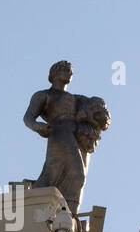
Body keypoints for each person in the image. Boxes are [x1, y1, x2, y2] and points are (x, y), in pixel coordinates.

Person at [22, 61, 109, 214]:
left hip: (80, 136)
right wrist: (38, 126)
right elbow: (28, 118)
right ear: (54, 73)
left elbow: (97, 114)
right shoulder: (44, 95)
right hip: (59, 132)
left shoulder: (77, 98)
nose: (69, 73)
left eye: (70, 71)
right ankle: (51, 206)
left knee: (79, 178)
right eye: (64, 69)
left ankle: (69, 215)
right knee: (71, 173)